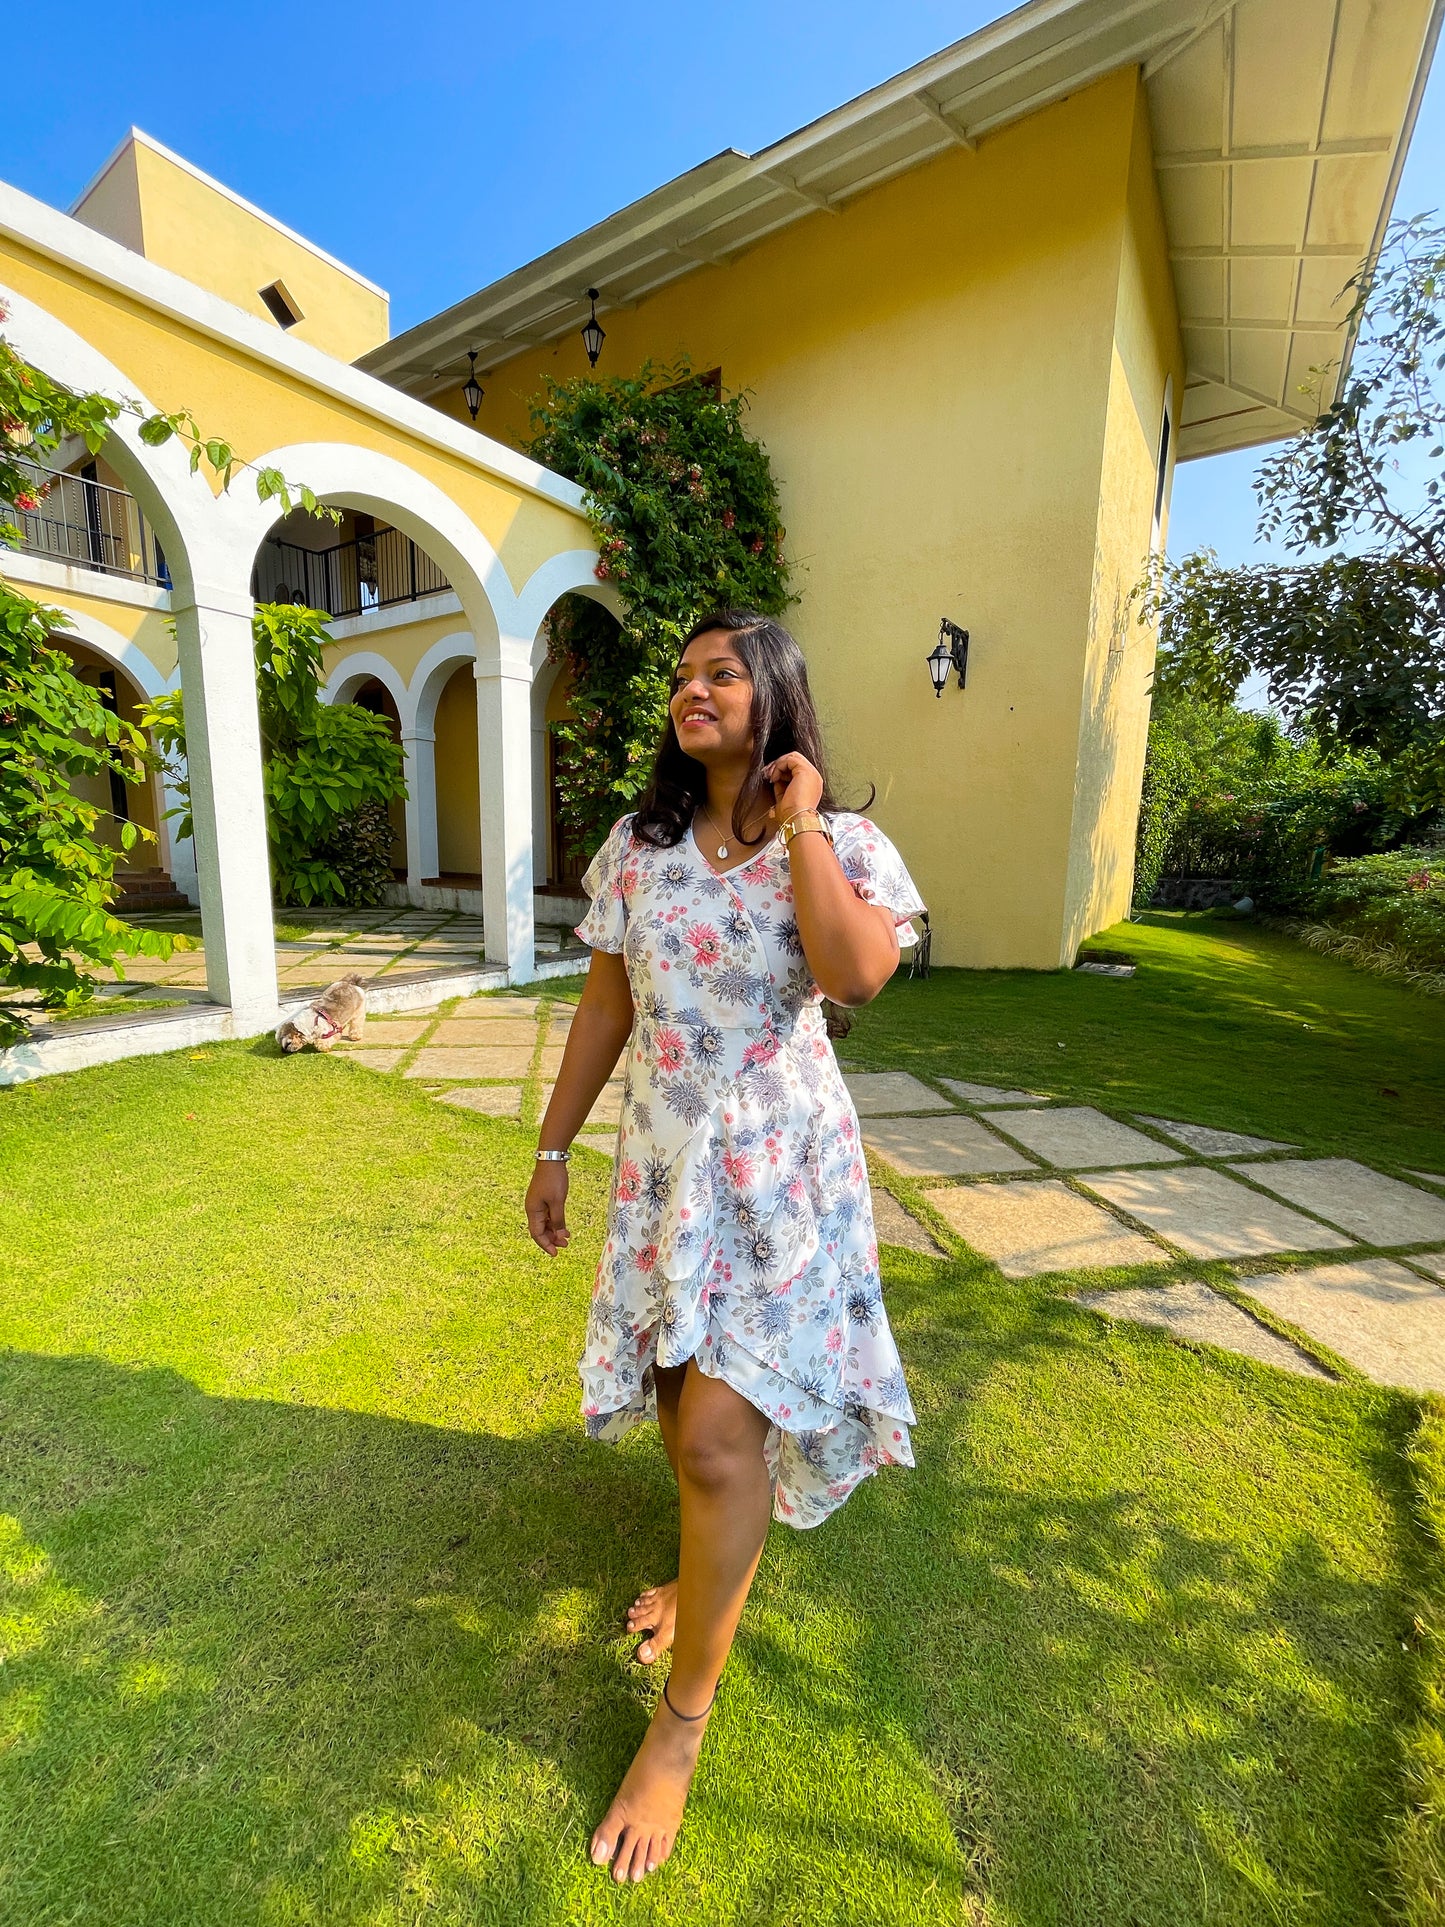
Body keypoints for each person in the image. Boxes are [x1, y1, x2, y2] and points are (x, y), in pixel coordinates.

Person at [524, 609, 924, 1884]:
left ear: (775, 698)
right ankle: (703, 1591)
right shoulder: (637, 848)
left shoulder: (843, 839)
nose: (692, 690)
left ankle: (680, 1728)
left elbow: (855, 974)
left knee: (715, 1433)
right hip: (659, 1170)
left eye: (721, 674)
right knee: (671, 1399)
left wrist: (798, 820)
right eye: (682, 676)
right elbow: (605, 1003)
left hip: (778, 1179)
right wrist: (548, 1146)